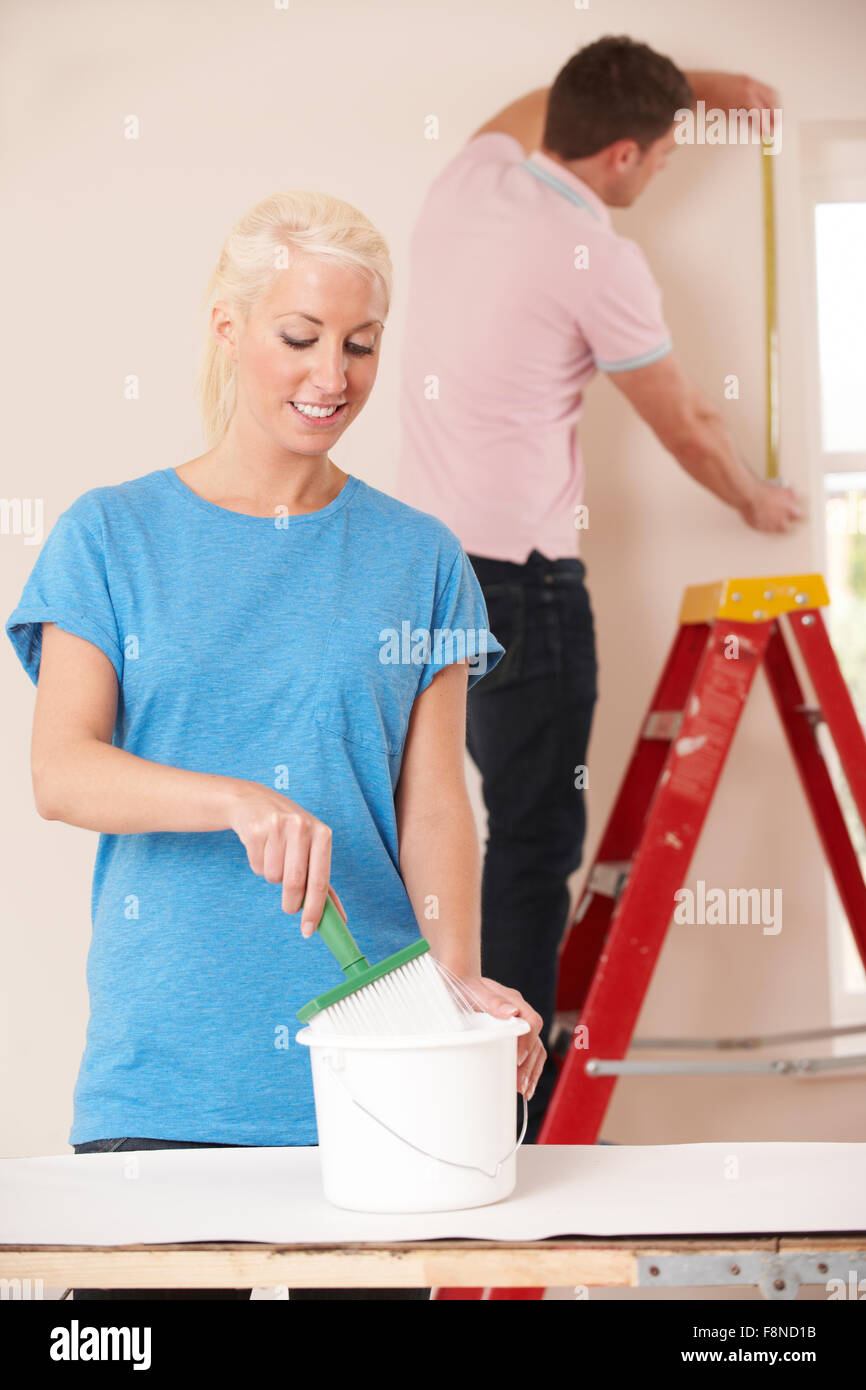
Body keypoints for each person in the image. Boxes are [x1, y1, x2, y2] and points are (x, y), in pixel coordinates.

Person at [5, 187, 545, 1300]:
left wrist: (449, 992)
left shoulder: (419, 555)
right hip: (166, 1081)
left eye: (358, 345)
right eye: (298, 338)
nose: (330, 375)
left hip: (373, 1085)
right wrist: (238, 800)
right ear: (227, 327)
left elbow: (435, 799)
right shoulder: (111, 535)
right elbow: (63, 770)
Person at [396, 36, 807, 1143]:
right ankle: (511, 1111)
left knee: (434, 827)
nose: (667, 168)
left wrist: (695, 90)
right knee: (528, 845)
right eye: (666, 151)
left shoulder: (471, 178)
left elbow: (538, 96)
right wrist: (754, 501)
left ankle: (443, 1088)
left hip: (419, 581)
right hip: (522, 592)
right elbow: (684, 419)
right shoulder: (598, 256)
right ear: (619, 154)